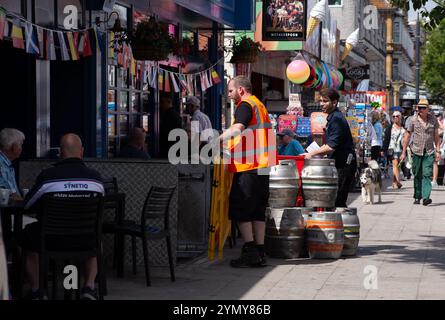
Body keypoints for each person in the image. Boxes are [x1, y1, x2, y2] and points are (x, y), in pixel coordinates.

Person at [18, 134, 105, 300]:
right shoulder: (96, 179)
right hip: (84, 239)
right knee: (97, 239)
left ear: (61, 153)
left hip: (50, 239)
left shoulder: (48, 176)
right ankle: (88, 287)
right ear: (82, 152)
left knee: (26, 236)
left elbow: (27, 206)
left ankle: (37, 291)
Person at [216, 76, 276, 268]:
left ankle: (250, 250)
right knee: (257, 210)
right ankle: (259, 251)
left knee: (240, 209)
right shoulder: (260, 105)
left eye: (231, 91)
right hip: (263, 166)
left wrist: (215, 140)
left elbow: (238, 128)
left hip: (249, 166)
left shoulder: (245, 104)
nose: (230, 95)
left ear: (241, 90)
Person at [304, 88, 357, 208]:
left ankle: (342, 225)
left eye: (325, 101)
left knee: (337, 202)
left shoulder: (336, 119)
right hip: (339, 164)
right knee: (334, 201)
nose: (321, 104)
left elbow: (331, 147)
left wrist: (312, 154)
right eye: (321, 101)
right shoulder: (332, 117)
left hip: (344, 165)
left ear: (334, 102)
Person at [401, 99, 441, 206]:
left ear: (428, 109)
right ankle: (417, 196)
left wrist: (438, 150)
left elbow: (436, 136)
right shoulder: (412, 120)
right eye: (419, 108)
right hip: (416, 151)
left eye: (423, 108)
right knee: (417, 174)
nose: (421, 110)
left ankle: (426, 197)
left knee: (427, 174)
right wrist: (403, 152)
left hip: (429, 151)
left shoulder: (433, 119)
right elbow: (407, 136)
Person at [0, 128, 25, 197]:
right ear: (14, 147)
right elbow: (6, 193)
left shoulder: (7, 163)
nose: (21, 148)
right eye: (21, 144)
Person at [386, 111, 405, 189]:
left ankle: (394, 182)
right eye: (393, 116)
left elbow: (405, 140)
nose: (395, 118)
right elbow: (386, 139)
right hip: (392, 149)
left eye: (397, 116)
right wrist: (383, 149)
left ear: (400, 117)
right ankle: (398, 182)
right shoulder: (390, 127)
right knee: (395, 165)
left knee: (398, 166)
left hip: (400, 149)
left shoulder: (403, 128)